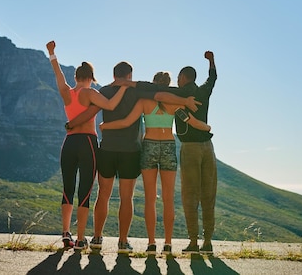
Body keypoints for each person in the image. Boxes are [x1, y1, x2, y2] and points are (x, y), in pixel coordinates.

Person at [66, 61, 201, 254]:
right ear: (129, 76)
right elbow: (161, 95)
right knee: (126, 197)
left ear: (114, 75)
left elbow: (91, 112)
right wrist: (185, 101)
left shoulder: (103, 91)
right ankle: (122, 241)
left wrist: (71, 124)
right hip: (130, 151)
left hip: (107, 149)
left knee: (102, 195)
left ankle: (97, 238)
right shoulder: (137, 92)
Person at [99, 71, 211, 256]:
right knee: (168, 199)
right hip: (168, 145)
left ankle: (151, 243)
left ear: (154, 84)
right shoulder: (175, 103)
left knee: (150, 198)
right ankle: (167, 244)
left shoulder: (144, 102)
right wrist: (207, 127)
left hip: (149, 146)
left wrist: (106, 126)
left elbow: (127, 122)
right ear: (168, 85)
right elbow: (191, 121)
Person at [46, 41, 129, 251]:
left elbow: (58, 75)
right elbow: (110, 105)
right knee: (85, 190)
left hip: (69, 143)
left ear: (75, 77)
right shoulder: (90, 93)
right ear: (91, 78)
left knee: (67, 189)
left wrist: (52, 53)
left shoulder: (67, 92)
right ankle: (81, 239)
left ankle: (66, 233)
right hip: (87, 143)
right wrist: (123, 88)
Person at [132, 51, 217, 254]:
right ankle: (206, 242)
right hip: (207, 147)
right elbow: (212, 78)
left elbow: (157, 92)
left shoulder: (178, 95)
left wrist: (129, 84)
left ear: (182, 78)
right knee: (208, 195)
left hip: (189, 148)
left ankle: (190, 242)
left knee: (189, 194)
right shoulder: (203, 91)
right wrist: (211, 61)